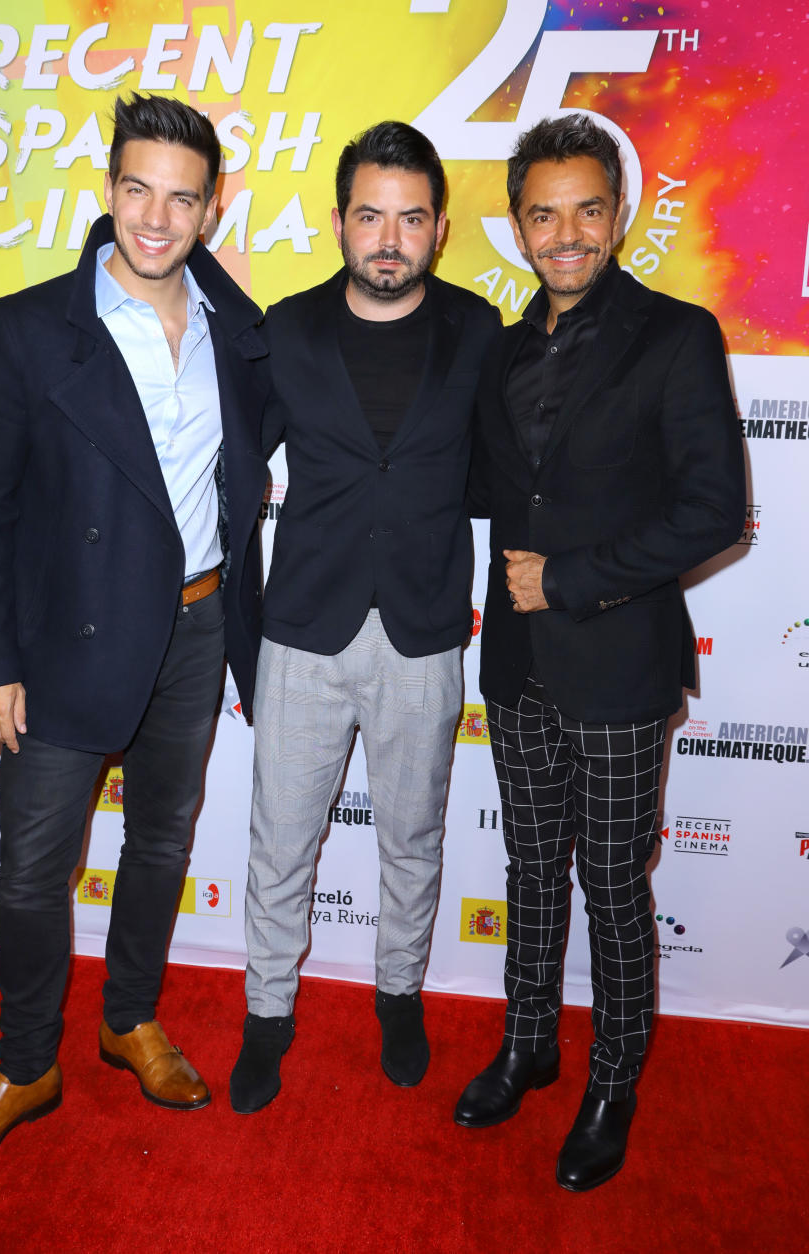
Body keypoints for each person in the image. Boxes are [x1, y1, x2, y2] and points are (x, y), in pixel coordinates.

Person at [0, 93, 269, 1181]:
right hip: (64, 637)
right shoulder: (26, 327)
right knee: (33, 870)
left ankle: (129, 1019)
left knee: (161, 842)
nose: (154, 218)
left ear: (212, 207)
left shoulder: (239, 333)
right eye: (135, 189)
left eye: (181, 196)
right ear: (106, 188)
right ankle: (26, 1064)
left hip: (198, 626)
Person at [458, 114, 745, 1190]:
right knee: (531, 868)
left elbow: (714, 509)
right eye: (543, 212)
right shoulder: (502, 347)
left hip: (618, 663)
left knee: (612, 882)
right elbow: (493, 488)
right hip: (519, 667)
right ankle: (528, 1043)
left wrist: (570, 578)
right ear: (518, 224)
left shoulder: (676, 335)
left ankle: (613, 1078)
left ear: (618, 215)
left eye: (587, 209)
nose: (565, 233)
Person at [230, 121, 502, 1113]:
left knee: (413, 840)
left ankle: (398, 994)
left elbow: (512, 470)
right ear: (339, 221)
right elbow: (228, 474)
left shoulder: (478, 333)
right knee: (278, 845)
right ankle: (267, 1013)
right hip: (302, 630)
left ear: (439, 227)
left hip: (424, 632)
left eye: (411, 218)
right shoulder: (286, 329)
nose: (390, 238)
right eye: (371, 216)